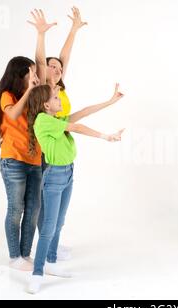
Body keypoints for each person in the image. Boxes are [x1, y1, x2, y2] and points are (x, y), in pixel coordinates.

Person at [25, 84, 125, 294]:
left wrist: (110, 101)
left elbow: (82, 113)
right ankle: (37, 272)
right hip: (54, 176)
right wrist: (106, 137)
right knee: (48, 228)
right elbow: (77, 128)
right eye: (55, 98)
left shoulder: (55, 120)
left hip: (68, 173)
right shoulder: (43, 120)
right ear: (45, 105)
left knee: (59, 223)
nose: (59, 99)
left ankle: (51, 261)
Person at [0, 9, 55, 271]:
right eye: (30, 74)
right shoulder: (8, 95)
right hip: (13, 160)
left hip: (34, 160)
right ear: (20, 76)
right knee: (16, 209)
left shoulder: (35, 93)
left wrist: (40, 35)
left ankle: (24, 256)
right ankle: (14, 256)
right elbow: (13, 115)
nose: (35, 76)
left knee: (33, 209)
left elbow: (40, 62)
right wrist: (29, 90)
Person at [38, 6, 88, 260]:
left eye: (59, 68)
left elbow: (64, 58)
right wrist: (41, 35)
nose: (57, 69)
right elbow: (42, 61)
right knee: (47, 205)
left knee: (59, 208)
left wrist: (74, 29)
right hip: (48, 152)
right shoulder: (43, 90)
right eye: (52, 67)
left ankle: (53, 244)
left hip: (62, 148)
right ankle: (45, 251)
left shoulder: (58, 87)